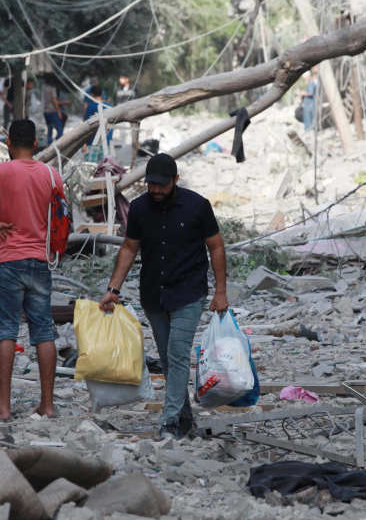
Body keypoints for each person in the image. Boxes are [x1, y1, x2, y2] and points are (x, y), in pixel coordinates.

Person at [99, 153, 228, 439]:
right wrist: (113, 290)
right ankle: (184, 418)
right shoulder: (139, 208)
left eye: (161, 185)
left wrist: (221, 291)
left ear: (175, 180)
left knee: (178, 354)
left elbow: (216, 247)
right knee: (168, 361)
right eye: (151, 185)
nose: (155, 190)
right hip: (154, 294)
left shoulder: (197, 206)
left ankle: (169, 422)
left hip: (189, 292)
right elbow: (130, 248)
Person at [0, 119, 63, 420]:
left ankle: (3, 407)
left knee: (6, 331)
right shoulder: (51, 174)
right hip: (39, 259)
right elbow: (61, 219)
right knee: (43, 332)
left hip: (7, 259)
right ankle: (47, 405)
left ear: (8, 142)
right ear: (36, 143)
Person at [82, 85, 113, 163]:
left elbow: (86, 127)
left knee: (90, 166)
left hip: (92, 142)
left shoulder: (90, 107)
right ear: (102, 94)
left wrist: (84, 143)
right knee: (102, 168)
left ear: (91, 95)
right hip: (106, 141)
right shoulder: (109, 107)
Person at [42, 76, 69, 146]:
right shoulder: (52, 89)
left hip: (45, 111)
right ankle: (60, 144)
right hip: (52, 111)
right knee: (59, 128)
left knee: (49, 128)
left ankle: (49, 144)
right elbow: (54, 101)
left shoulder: (44, 88)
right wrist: (59, 112)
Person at [301, 66, 320, 131]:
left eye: (306, 78)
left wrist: (304, 93)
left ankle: (311, 130)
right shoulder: (310, 83)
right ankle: (309, 130)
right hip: (308, 104)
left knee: (310, 117)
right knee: (308, 117)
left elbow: (311, 93)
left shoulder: (311, 83)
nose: (305, 79)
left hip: (310, 104)